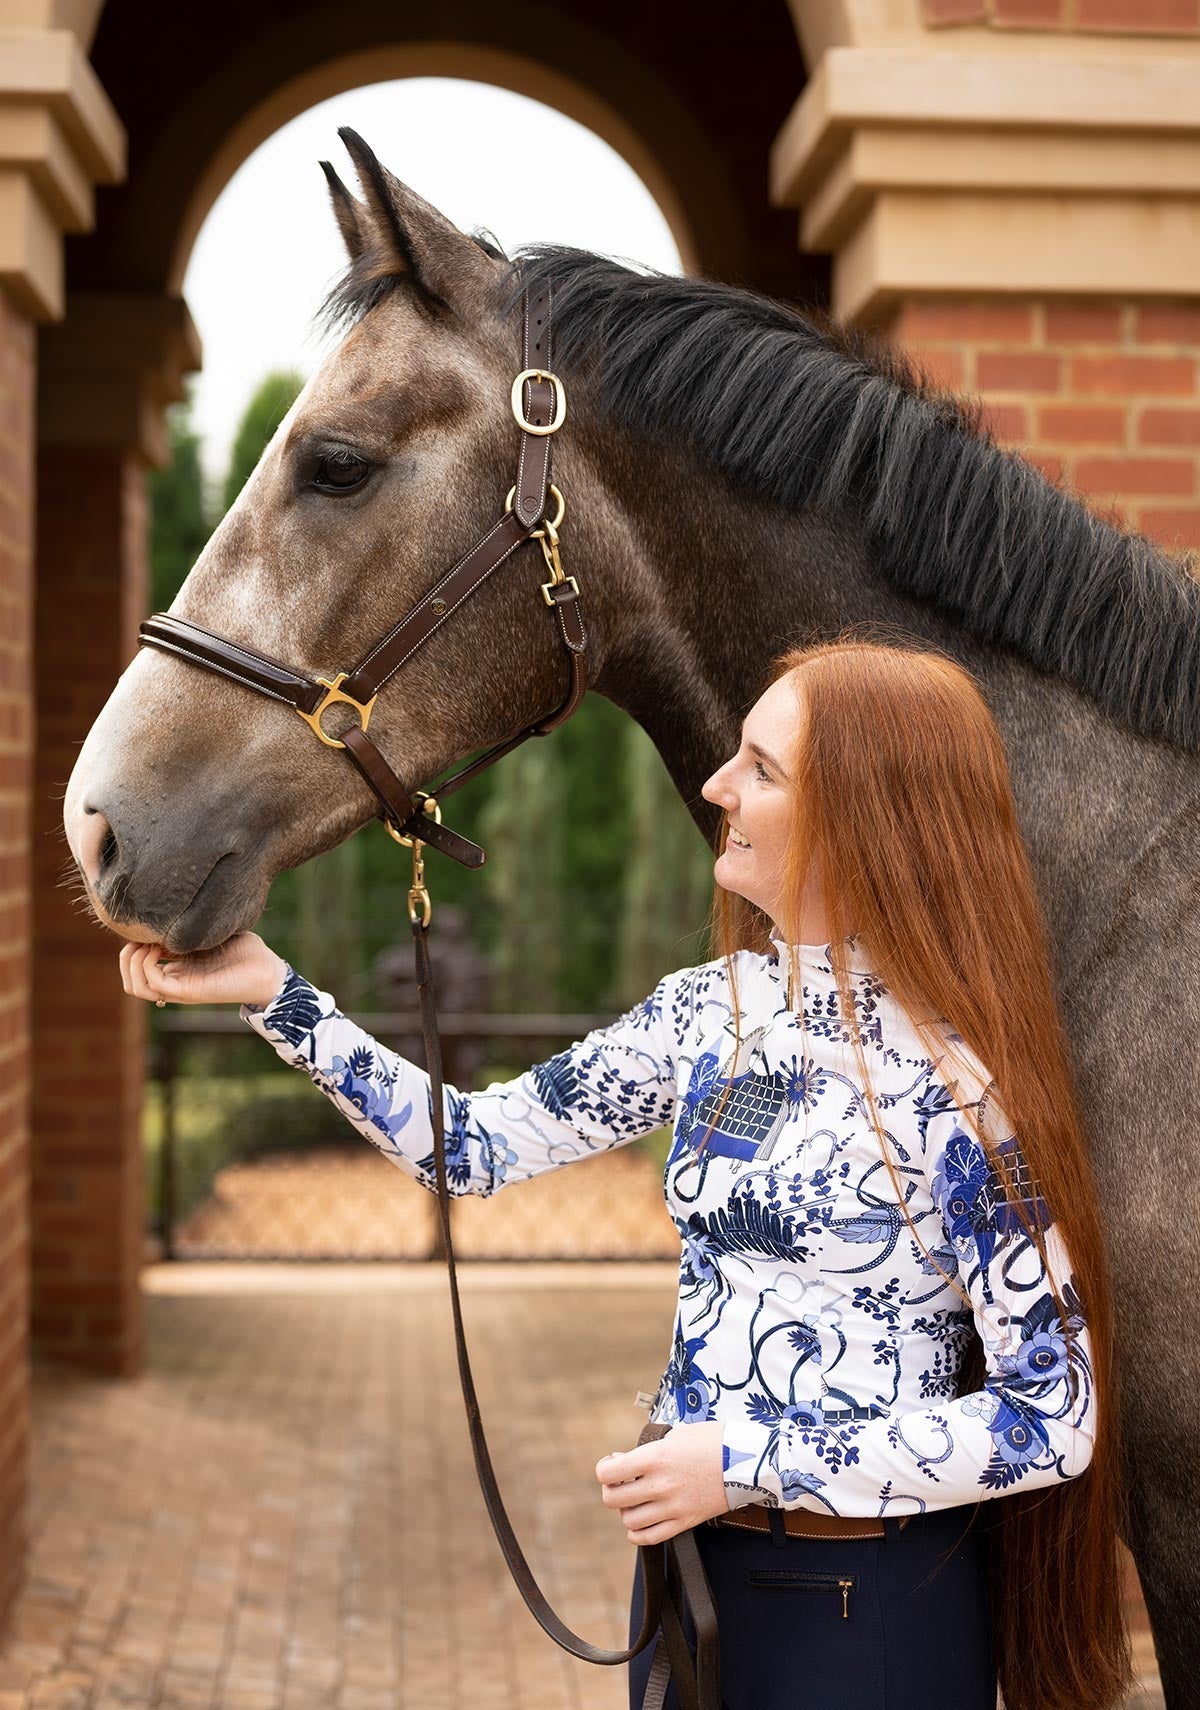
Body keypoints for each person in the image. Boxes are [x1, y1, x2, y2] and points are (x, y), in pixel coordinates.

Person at [119, 636, 1131, 1710]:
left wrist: (743, 1461)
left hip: (863, 1605)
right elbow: (473, 1142)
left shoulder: (957, 1092)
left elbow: (1052, 1414)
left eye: (762, 767)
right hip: (693, 1577)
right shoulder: (708, 1014)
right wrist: (274, 992)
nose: (714, 784)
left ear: (863, 816)